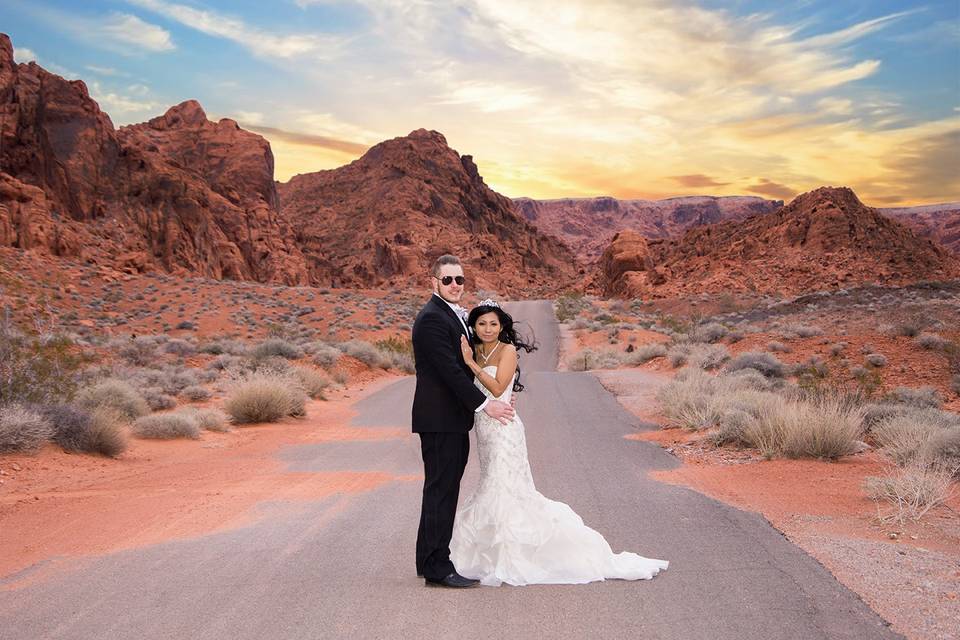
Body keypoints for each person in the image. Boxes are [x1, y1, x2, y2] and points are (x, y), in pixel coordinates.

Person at [449, 299, 669, 586]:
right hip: (485, 430)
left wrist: (469, 364)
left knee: (506, 486)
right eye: (481, 323)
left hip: (505, 429)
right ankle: (489, 551)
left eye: (493, 323)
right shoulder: (475, 349)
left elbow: (497, 386)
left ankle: (511, 554)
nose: (488, 328)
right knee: (490, 481)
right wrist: (469, 361)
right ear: (474, 327)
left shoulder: (507, 350)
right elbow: (467, 387)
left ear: (501, 325)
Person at [411, 255, 515, 588]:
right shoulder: (431, 319)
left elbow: (480, 358)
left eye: (459, 280)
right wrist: (487, 405)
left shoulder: (451, 315)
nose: (454, 285)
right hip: (440, 420)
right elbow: (451, 373)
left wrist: (505, 388)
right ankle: (437, 568)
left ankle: (430, 559)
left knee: (443, 490)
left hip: (451, 419)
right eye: (448, 280)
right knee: (441, 491)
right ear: (434, 282)